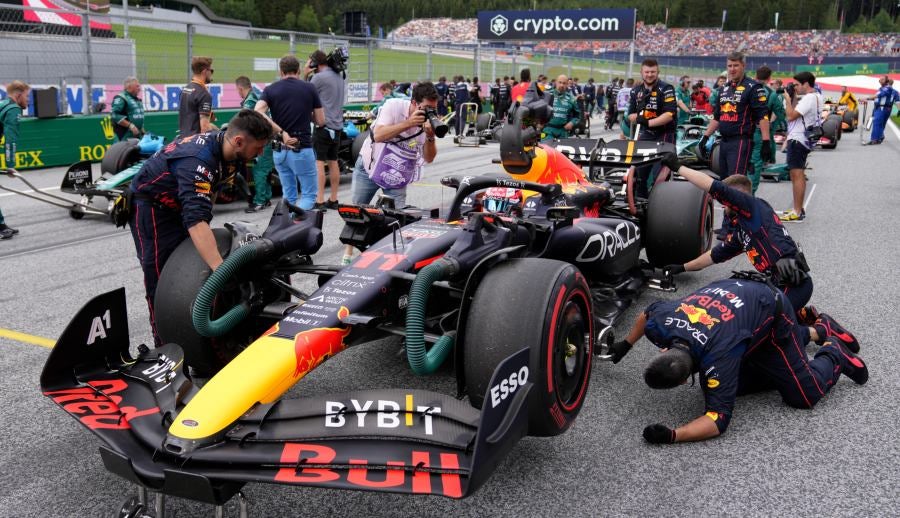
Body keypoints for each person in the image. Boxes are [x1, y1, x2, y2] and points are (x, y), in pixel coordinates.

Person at [609, 274, 867, 444]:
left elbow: (717, 420)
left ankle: (833, 350)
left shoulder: (718, 358)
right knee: (732, 386)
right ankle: (810, 339)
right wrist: (625, 345)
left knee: (802, 395)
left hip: (771, 308)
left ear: (682, 380)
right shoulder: (662, 325)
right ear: (662, 351)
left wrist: (674, 435)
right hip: (735, 294)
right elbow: (647, 312)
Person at [129, 109, 271, 346]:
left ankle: (188, 337)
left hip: (179, 204)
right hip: (152, 206)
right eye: (258, 148)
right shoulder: (198, 161)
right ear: (238, 141)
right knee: (161, 278)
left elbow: (208, 197)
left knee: (192, 262)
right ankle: (162, 346)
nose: (261, 153)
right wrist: (221, 270)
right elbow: (195, 221)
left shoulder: (231, 154)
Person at [660, 153, 815, 317]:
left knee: (753, 329)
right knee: (739, 312)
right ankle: (800, 317)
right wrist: (682, 267)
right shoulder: (742, 229)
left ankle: (815, 329)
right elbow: (715, 255)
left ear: (736, 198)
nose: (724, 208)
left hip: (796, 286)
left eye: (726, 204)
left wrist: (678, 168)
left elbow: (716, 188)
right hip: (778, 284)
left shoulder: (753, 207)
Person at [341, 82, 440, 265]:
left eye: (433, 109)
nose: (429, 113)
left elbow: (429, 157)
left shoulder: (429, 122)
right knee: (357, 212)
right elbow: (378, 135)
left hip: (398, 174)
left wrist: (430, 136)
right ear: (413, 102)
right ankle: (347, 256)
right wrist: (409, 123)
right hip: (370, 166)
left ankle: (389, 260)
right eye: (425, 108)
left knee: (396, 220)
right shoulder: (393, 106)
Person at [254, 55, 324, 210]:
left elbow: (257, 112)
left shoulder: (270, 89)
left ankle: (285, 228)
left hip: (279, 150)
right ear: (298, 70)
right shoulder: (309, 88)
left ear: (281, 71)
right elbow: (320, 121)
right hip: (301, 148)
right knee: (308, 195)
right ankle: (295, 225)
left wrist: (281, 132)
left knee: (289, 195)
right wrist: (306, 113)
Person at [701, 52, 771, 180]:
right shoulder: (723, 89)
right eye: (729, 66)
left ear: (743, 66)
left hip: (741, 142)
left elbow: (763, 116)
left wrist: (766, 141)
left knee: (735, 182)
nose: (732, 69)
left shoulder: (754, 87)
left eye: (736, 65)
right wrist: (705, 137)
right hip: (723, 142)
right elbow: (717, 117)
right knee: (724, 182)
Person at [627, 59, 677, 198]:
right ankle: (640, 204)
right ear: (642, 73)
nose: (650, 75)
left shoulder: (666, 88)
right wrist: (638, 118)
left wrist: (647, 122)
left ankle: (659, 207)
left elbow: (669, 115)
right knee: (638, 174)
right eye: (647, 72)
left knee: (660, 176)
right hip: (646, 135)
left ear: (658, 72)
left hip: (665, 134)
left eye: (653, 72)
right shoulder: (635, 91)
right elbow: (630, 114)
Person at [305, 49, 346, 210]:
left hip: (323, 126)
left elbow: (305, 91)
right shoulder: (340, 77)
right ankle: (333, 199)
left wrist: (306, 73)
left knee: (319, 163)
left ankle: (320, 200)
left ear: (315, 62)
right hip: (337, 126)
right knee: (333, 161)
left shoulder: (319, 77)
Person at [779, 71, 821, 222]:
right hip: (804, 139)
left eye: (797, 84)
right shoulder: (816, 96)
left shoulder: (809, 98)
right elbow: (798, 113)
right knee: (798, 174)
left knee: (796, 175)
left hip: (798, 140)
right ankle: (798, 208)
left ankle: (797, 211)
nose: (795, 87)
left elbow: (790, 116)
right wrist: (794, 98)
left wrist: (787, 100)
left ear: (806, 84)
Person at [235, 76, 274, 213]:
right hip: (266, 140)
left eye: (237, 90)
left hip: (263, 141)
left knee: (260, 171)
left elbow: (242, 120)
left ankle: (259, 202)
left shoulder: (250, 101)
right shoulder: (255, 97)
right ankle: (266, 198)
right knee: (265, 171)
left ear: (240, 88)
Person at [749, 66, 785, 194]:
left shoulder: (747, 87)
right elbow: (781, 115)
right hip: (759, 132)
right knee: (755, 163)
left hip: (741, 131)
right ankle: (750, 194)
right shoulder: (772, 94)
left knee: (740, 161)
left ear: (755, 75)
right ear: (769, 78)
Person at [0, 80, 29, 239]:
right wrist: (10, 165)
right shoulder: (13, 109)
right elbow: (10, 140)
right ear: (18, 95)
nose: (28, 100)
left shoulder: (2, 103)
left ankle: (1, 225)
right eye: (26, 96)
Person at [178, 56, 216, 138]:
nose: (211, 74)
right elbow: (204, 129)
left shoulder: (185, 89)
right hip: (195, 144)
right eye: (211, 71)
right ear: (205, 71)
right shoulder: (204, 94)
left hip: (182, 140)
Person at [542, 74, 582, 140]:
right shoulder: (547, 95)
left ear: (567, 84)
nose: (561, 85)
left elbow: (577, 116)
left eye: (564, 83)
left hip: (563, 131)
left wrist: (572, 123)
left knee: (562, 150)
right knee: (545, 149)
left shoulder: (571, 99)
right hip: (547, 130)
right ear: (556, 83)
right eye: (560, 82)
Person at [865, 76, 900, 146]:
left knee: (877, 123)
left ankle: (875, 139)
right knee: (881, 124)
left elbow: (878, 96)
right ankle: (880, 136)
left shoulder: (885, 89)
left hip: (881, 108)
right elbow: (897, 102)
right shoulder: (895, 92)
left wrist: (867, 98)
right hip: (887, 108)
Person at [110, 76, 145, 142]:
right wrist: (130, 126)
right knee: (121, 152)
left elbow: (137, 117)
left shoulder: (137, 100)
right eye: (137, 86)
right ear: (129, 87)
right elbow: (114, 115)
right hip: (124, 137)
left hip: (136, 137)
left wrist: (142, 130)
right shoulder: (121, 98)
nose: (139, 88)